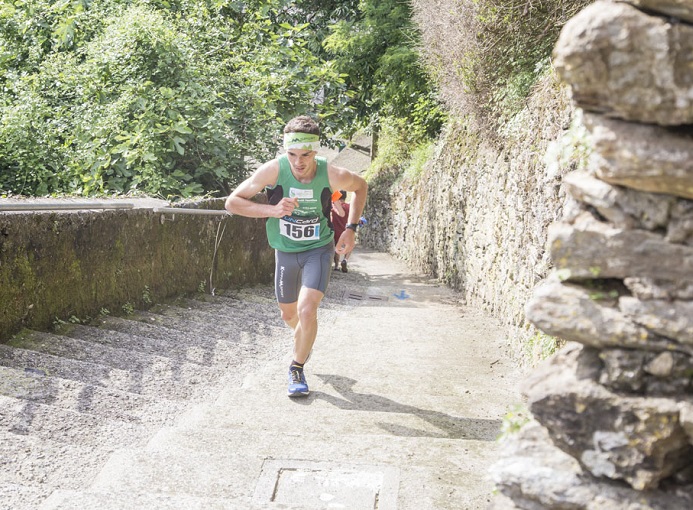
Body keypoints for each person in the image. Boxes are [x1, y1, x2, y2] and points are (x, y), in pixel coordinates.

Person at [225, 116, 368, 397]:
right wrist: (273, 210)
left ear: (316, 151)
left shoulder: (332, 174)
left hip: (319, 248)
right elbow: (233, 202)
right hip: (285, 250)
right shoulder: (273, 170)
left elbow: (360, 186)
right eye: (292, 154)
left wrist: (351, 229)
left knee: (307, 310)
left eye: (305, 155)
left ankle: (296, 367)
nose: (298, 162)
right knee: (288, 314)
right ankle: (305, 340)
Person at [330, 190, 351, 272]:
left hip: (336, 230)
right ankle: (345, 260)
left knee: (336, 247)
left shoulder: (334, 207)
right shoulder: (349, 207)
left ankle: (336, 266)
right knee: (349, 245)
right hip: (346, 231)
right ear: (345, 197)